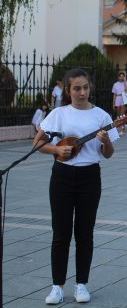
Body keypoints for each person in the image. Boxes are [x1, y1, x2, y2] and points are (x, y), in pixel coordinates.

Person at [32, 68, 118, 305]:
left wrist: (106, 140)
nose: (82, 92)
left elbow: (108, 155)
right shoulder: (59, 114)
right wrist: (57, 149)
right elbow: (38, 143)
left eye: (85, 87)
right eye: (76, 88)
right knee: (60, 233)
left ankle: (82, 284)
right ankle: (57, 286)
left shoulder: (101, 116)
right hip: (61, 176)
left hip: (90, 177)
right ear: (68, 91)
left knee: (84, 233)